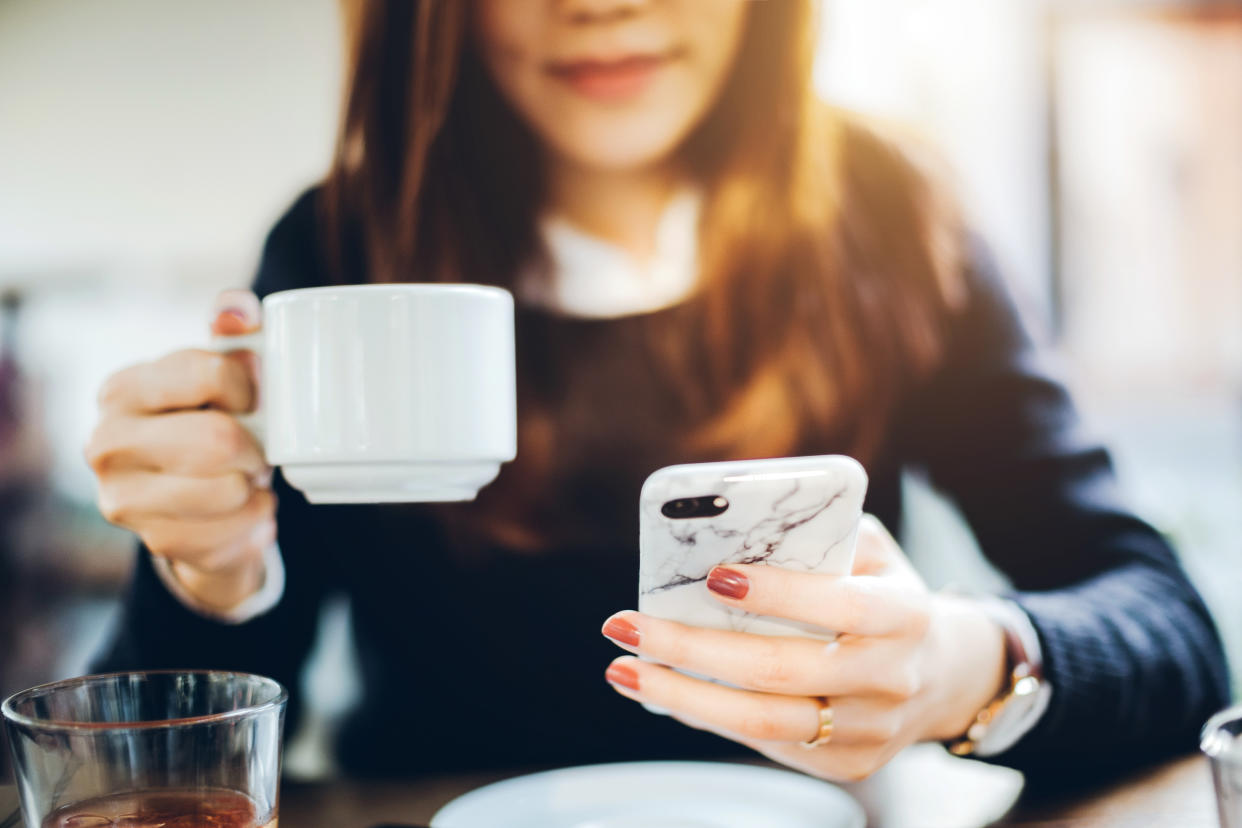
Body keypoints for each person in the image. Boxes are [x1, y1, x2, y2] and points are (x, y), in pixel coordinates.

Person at [87, 0, 1229, 781]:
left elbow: (1175, 640)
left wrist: (960, 669)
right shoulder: (342, 245)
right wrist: (210, 575)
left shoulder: (888, 215)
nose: (602, 3)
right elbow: (149, 760)